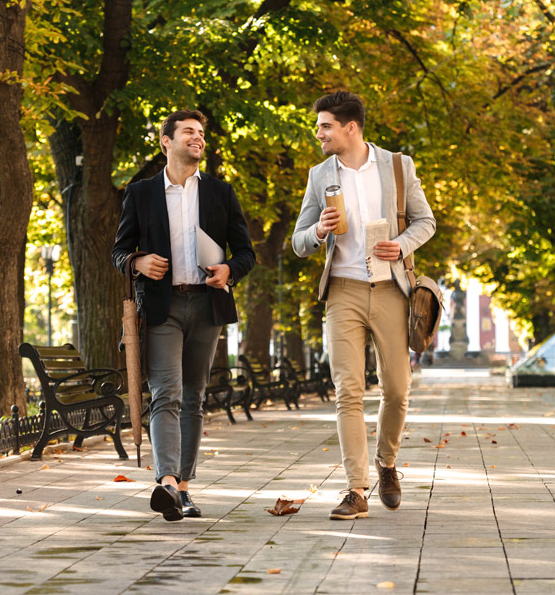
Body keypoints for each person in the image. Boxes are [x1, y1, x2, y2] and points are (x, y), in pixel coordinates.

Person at [291, 91, 436, 519]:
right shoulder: (320, 175)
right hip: (343, 291)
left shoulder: (397, 165)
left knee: (397, 388)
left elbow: (427, 221)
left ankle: (386, 463)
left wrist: (401, 244)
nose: (318, 133)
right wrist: (318, 230)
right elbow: (299, 242)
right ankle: (356, 489)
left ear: (350, 127)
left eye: (325, 126)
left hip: (391, 290)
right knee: (348, 390)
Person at [113, 110, 256, 522]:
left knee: (194, 397)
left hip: (207, 306)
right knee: (167, 393)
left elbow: (245, 252)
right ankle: (168, 482)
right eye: (189, 132)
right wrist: (137, 263)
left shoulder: (219, 192)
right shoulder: (140, 194)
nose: (198, 139)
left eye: (201, 133)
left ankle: (185, 490)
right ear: (166, 142)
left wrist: (230, 269)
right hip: (163, 308)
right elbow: (119, 251)